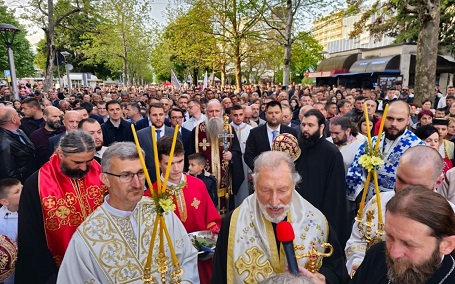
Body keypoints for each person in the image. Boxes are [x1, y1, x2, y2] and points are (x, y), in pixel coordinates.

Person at [57, 142, 199, 283]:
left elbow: (187, 258)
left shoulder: (161, 212)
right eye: (126, 175)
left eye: (140, 173)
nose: (137, 184)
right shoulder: (87, 236)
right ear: (106, 179)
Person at [211, 151, 349, 284]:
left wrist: (323, 279)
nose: (274, 202)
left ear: (294, 185)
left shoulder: (316, 220)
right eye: (265, 190)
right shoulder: (234, 222)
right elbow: (220, 276)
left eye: (283, 190)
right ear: (254, 184)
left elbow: (337, 269)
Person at [16, 131, 107, 284]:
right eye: (77, 162)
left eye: (88, 161)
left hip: (102, 260)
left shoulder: (100, 169)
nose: (84, 168)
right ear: (60, 154)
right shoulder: (36, 184)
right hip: (58, 269)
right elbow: (30, 236)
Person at [345, 146, 447, 276]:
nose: (405, 191)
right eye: (401, 180)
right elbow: (357, 239)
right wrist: (359, 263)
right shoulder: (377, 202)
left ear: (438, 181)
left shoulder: (448, 217)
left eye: (416, 186)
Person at [145, 136, 220, 284]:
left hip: (202, 260)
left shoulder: (198, 185)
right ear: (159, 163)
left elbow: (211, 218)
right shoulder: (151, 195)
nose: (176, 168)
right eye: (169, 163)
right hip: (172, 262)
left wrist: (212, 239)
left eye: (180, 161)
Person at [351, 186, 455, 283]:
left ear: (446, 245)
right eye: (390, 236)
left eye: (408, 244)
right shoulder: (377, 255)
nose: (393, 253)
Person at [346, 100, 425, 203]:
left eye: (400, 120)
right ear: (383, 117)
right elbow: (356, 172)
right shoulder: (372, 142)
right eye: (390, 118)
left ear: (408, 120)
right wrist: (359, 199)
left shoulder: (418, 148)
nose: (394, 124)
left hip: (399, 204)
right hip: (369, 202)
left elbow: (420, 185)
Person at [295, 109, 349, 246]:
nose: (305, 129)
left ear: (322, 127)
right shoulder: (298, 148)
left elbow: (335, 194)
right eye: (303, 124)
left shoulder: (331, 153)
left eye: (310, 125)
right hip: (296, 213)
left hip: (320, 213)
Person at [188, 99, 244, 213]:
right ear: (206, 113)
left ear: (222, 112)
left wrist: (232, 155)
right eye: (211, 111)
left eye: (217, 111)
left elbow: (237, 151)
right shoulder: (198, 131)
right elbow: (189, 155)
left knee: (226, 212)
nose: (214, 114)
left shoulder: (228, 129)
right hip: (204, 183)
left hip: (226, 183)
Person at [244, 101, 298, 171]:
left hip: (285, 175)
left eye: (276, 112)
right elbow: (248, 156)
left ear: (281, 114)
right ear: (265, 114)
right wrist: (259, 170)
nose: (273, 115)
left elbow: (296, 155)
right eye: (270, 113)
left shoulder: (291, 132)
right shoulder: (255, 133)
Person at [137, 103, 179, 183]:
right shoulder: (140, 134)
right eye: (154, 115)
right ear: (149, 116)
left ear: (165, 115)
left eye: (161, 114)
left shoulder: (174, 133)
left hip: (170, 178)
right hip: (148, 180)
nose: (158, 118)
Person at [0, 107, 37, 183]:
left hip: (32, 176)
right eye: (17, 115)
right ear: (14, 120)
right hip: (24, 182)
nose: (20, 117)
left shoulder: (20, 131)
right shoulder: (5, 144)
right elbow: (9, 173)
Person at [230, 104, 253, 206]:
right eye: (235, 115)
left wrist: (250, 170)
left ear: (244, 115)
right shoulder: (227, 129)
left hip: (245, 162)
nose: (238, 118)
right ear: (231, 116)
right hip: (232, 162)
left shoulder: (250, 130)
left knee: (245, 190)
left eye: (240, 114)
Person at [0, 178, 21, 284]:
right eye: (17, 192)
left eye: (22, 188)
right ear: (4, 201)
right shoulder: (1, 220)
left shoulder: (32, 210)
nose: (23, 192)